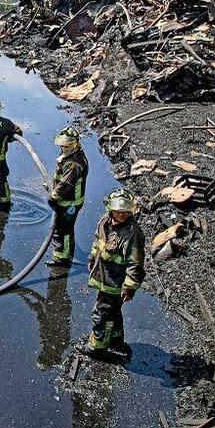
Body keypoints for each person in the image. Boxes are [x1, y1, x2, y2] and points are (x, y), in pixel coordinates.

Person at [82, 188, 144, 360]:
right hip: (104, 276)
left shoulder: (132, 233)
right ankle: (116, 341)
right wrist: (92, 257)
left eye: (125, 212)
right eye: (118, 211)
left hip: (116, 283)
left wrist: (129, 288)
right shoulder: (105, 222)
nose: (122, 215)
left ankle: (97, 347)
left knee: (101, 313)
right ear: (110, 209)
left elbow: (136, 264)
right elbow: (98, 241)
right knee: (113, 311)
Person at [46, 126, 89, 267]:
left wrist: (52, 197)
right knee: (68, 229)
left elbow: (65, 185)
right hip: (70, 201)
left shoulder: (73, 164)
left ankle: (61, 259)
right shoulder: (72, 157)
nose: (64, 148)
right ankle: (68, 250)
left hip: (68, 203)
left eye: (67, 145)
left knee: (61, 230)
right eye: (62, 145)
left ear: (74, 144)